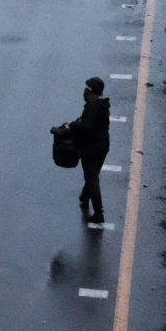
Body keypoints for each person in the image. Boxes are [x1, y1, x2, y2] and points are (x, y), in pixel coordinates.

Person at [70, 77, 113, 223]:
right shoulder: (102, 105)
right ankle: (84, 196)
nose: (84, 91)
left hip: (91, 147)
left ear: (91, 92)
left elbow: (86, 128)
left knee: (92, 177)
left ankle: (98, 212)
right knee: (92, 173)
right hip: (103, 144)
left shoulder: (91, 108)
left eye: (86, 89)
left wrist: (74, 125)